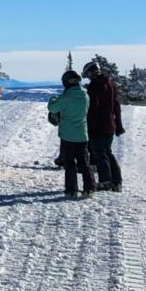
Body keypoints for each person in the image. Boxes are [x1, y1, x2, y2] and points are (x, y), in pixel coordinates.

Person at [47, 69, 97, 198]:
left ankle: (71, 189)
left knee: (69, 164)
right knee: (84, 163)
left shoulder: (66, 96)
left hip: (68, 135)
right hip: (82, 134)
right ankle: (89, 188)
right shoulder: (85, 95)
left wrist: (53, 98)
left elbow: (52, 108)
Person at [82, 61, 124, 191]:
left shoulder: (94, 86)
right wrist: (118, 124)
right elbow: (116, 105)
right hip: (110, 124)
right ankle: (117, 182)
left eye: (88, 75)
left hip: (97, 125)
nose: (89, 77)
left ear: (91, 73)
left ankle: (105, 181)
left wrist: (87, 123)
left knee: (100, 153)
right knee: (108, 152)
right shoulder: (110, 84)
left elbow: (92, 108)